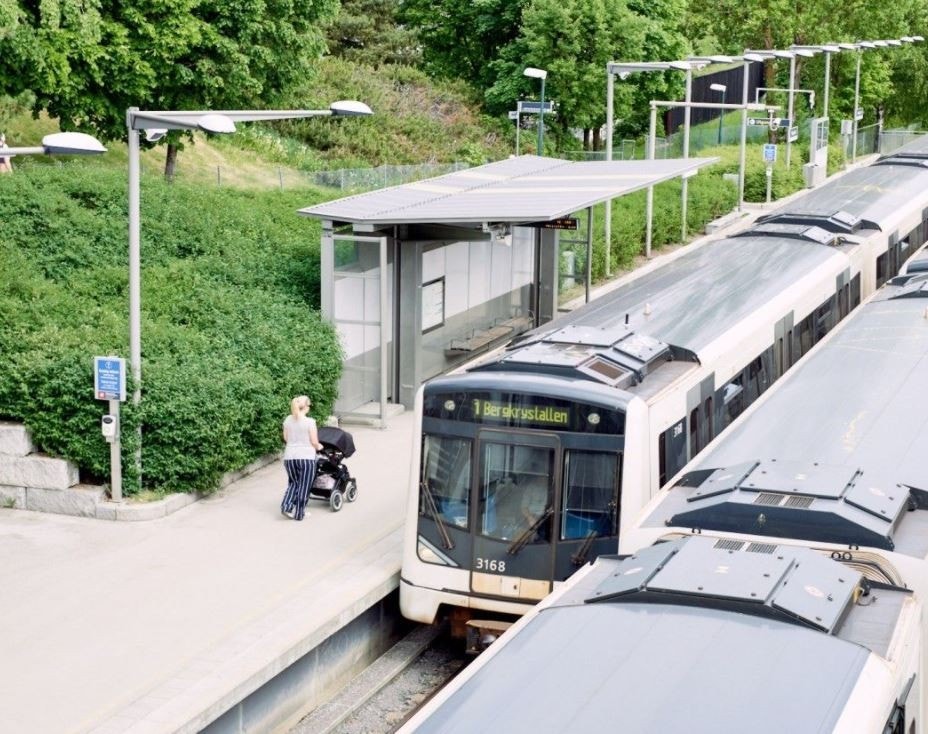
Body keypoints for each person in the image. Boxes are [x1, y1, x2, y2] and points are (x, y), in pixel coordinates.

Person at [280, 395, 323, 521]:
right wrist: (319, 446)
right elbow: (314, 442)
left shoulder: (288, 419)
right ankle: (299, 513)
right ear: (306, 407)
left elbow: (286, 438)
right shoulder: (310, 422)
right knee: (304, 485)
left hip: (289, 457)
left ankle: (286, 507)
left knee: (293, 483)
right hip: (306, 457)